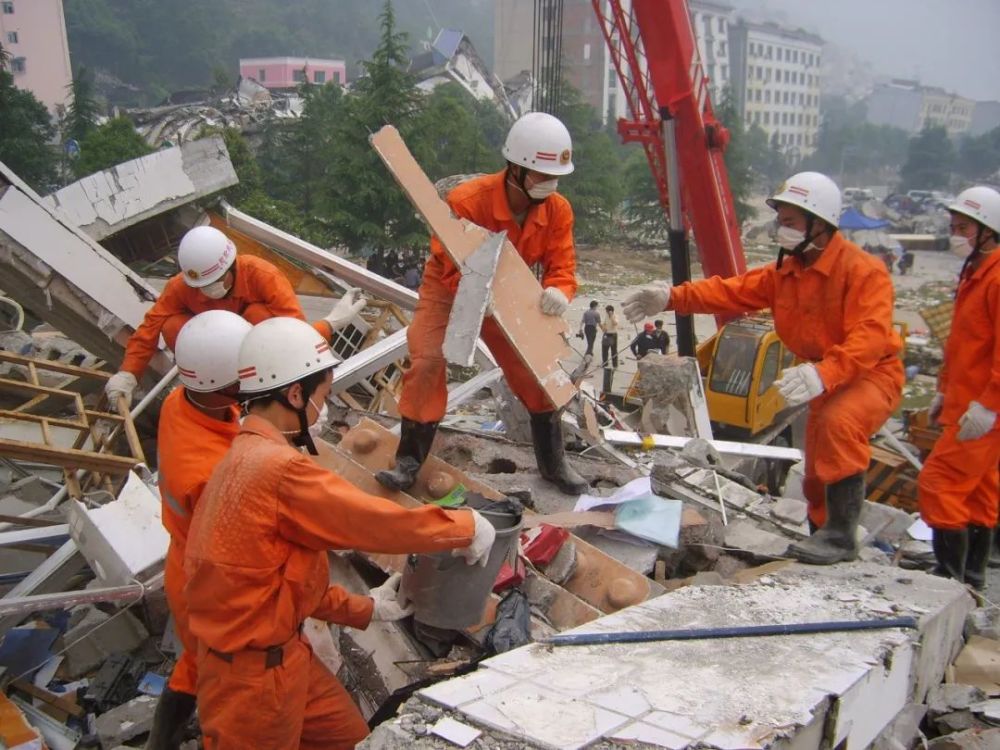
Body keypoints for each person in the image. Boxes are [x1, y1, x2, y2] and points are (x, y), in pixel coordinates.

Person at [184, 317, 496, 750]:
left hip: (286, 658)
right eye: (322, 396)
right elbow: (370, 522)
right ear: (294, 394)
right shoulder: (276, 470)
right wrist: (462, 527)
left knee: (350, 739)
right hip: (252, 682)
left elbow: (282, 583)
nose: (322, 409)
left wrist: (367, 608)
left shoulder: (247, 456)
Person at [623, 171, 903, 565]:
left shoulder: (863, 272)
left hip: (869, 372)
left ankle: (840, 537)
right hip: (824, 373)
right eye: (781, 220)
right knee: (818, 456)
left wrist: (824, 373)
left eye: (789, 222)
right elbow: (728, 290)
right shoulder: (786, 273)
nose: (780, 230)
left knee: (841, 424)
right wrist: (670, 297)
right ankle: (820, 533)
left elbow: (871, 337)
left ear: (819, 224)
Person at [376, 112, 587, 495]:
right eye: (541, 176)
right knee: (427, 361)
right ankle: (408, 462)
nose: (550, 184)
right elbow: (447, 258)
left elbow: (562, 264)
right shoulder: (468, 201)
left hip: (513, 292)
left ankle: (554, 463)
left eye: (555, 177)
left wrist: (559, 290)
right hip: (449, 285)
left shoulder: (558, 210)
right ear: (516, 168)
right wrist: (474, 294)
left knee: (539, 372)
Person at [104, 224, 365, 408]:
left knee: (257, 314)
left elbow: (292, 335)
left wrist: (329, 325)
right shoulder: (180, 287)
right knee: (172, 326)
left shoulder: (263, 276)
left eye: (216, 281)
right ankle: (209, 390)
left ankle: (254, 392)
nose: (210, 290)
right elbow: (150, 328)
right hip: (211, 361)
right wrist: (128, 373)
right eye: (202, 286)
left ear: (232, 266)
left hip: (254, 357)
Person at [147, 310, 252, 750]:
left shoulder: (181, 400)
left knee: (193, 662)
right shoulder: (209, 475)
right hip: (203, 581)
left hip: (182, 560)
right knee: (221, 673)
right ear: (225, 384)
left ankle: (160, 743)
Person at [918, 186, 1000, 590]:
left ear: (987, 229)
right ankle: (972, 577)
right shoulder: (975, 273)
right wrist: (943, 391)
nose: (955, 234)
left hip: (985, 412)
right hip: (967, 404)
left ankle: (949, 577)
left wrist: (989, 406)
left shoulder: (997, 278)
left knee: (939, 483)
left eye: (963, 227)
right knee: (980, 492)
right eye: (953, 226)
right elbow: (961, 345)